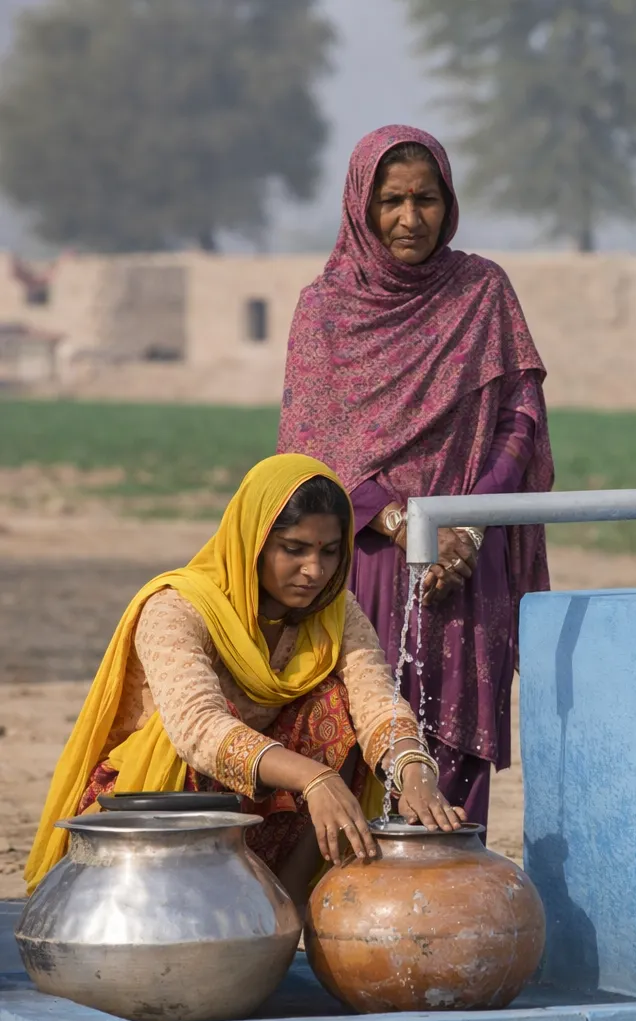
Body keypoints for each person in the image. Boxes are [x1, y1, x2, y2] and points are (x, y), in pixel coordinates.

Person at [25, 454, 465, 900]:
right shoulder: (177, 607)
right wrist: (313, 778)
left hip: (262, 803)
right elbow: (199, 730)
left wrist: (413, 771)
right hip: (154, 807)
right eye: (294, 549)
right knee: (189, 743)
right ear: (252, 541)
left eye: (329, 552)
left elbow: (375, 699)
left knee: (335, 706)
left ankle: (285, 907)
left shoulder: (336, 611)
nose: (314, 571)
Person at [277, 126, 554, 835]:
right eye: (393, 201)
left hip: (468, 562)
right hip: (366, 556)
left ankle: (449, 909)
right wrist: (405, 525)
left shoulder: (482, 291)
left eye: (426, 199)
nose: (410, 218)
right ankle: (352, 923)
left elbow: (519, 418)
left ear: (449, 202)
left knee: (456, 746)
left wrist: (468, 522)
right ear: (361, 208)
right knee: (353, 731)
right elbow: (312, 455)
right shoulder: (325, 311)